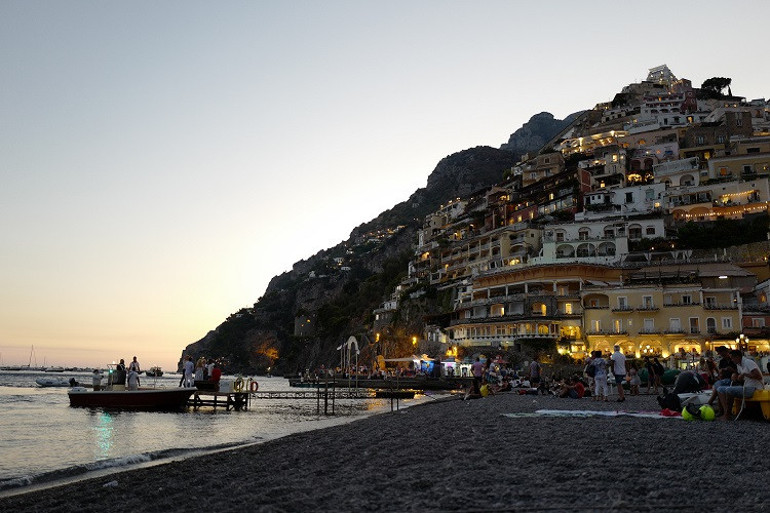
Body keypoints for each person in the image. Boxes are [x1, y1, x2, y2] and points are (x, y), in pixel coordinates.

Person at [716, 349, 765, 420]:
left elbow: (758, 376)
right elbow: (741, 379)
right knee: (720, 389)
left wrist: (744, 374)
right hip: (747, 386)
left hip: (754, 388)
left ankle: (727, 415)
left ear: (737, 357)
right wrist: (736, 376)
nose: (732, 360)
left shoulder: (748, 362)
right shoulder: (739, 365)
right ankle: (724, 411)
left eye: (732, 358)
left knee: (729, 390)